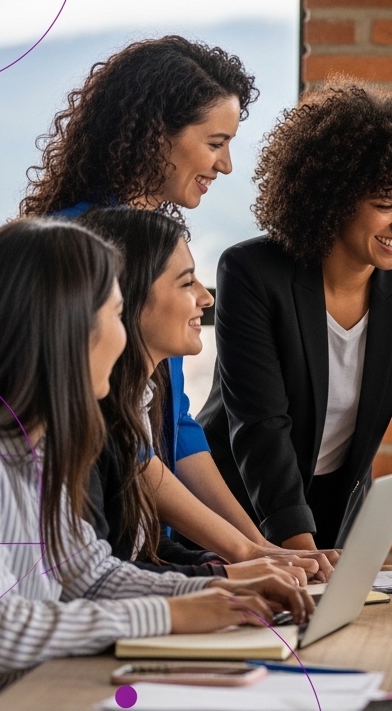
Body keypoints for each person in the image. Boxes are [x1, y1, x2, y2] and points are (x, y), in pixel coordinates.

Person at [0, 220, 311, 711]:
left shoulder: (42, 443)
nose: (123, 332)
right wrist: (175, 614)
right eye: (115, 314)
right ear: (65, 330)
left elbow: (89, 574)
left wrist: (219, 591)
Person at [198, 81, 392, 556]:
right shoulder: (252, 272)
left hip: (336, 510)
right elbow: (260, 425)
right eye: (384, 204)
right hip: (238, 510)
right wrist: (298, 549)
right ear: (332, 199)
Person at [19, 36, 269, 551]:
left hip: (146, 545)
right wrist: (245, 553)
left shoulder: (157, 247)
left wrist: (262, 548)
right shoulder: (76, 250)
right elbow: (121, 441)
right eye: (216, 142)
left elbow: (173, 424)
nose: (225, 166)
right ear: (158, 137)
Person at [75, 207, 334, 584]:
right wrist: (227, 574)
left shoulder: (140, 402)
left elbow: (143, 551)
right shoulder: (91, 426)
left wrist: (244, 563)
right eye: (186, 283)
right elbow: (103, 576)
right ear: (127, 298)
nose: (205, 298)